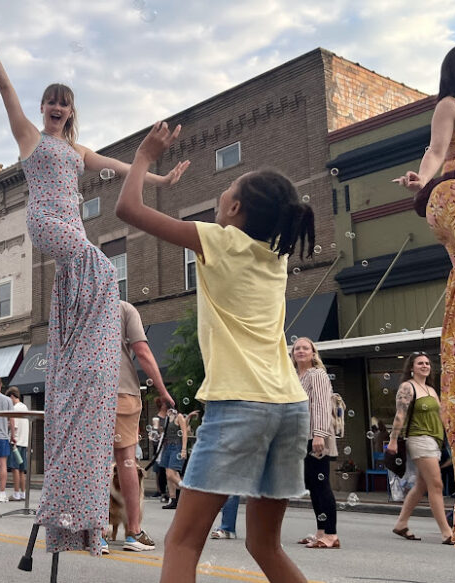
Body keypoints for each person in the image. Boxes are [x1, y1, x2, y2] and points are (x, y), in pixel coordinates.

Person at [0, 17, 188, 556]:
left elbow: (122, 165)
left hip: (74, 237)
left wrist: (159, 178)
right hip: (49, 224)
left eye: (64, 104)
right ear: (43, 108)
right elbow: (4, 90)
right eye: (51, 102)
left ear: (72, 111)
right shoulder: (30, 139)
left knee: (88, 268)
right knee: (98, 265)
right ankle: (91, 333)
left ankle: (82, 352)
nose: (56, 109)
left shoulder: (79, 151)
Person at [116, 121, 314, 583]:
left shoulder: (221, 241)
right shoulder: (276, 257)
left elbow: (127, 208)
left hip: (241, 404)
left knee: (182, 542)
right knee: (265, 545)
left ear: (236, 207)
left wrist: (144, 157)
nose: (221, 197)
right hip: (289, 407)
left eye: (226, 190)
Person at [394, 45, 455, 545]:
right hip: (452, 191)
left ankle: (411, 520)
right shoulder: (450, 104)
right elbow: (437, 150)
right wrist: (426, 176)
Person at [112, 300, 174, 553]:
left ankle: (97, 532)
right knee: (127, 460)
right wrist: (164, 391)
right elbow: (142, 352)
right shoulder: (124, 309)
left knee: (95, 461)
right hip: (122, 390)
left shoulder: (77, 307)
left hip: (85, 394)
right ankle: (133, 532)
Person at [387, 352, 454, 544]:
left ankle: (401, 523)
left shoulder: (431, 390)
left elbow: (441, 417)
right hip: (419, 439)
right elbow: (400, 415)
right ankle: (446, 532)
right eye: (420, 363)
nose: (425, 366)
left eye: (427, 363)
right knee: (437, 484)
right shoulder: (407, 387)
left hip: (435, 441)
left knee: (422, 485)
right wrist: (393, 440)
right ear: (411, 367)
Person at [291, 337, 340, 549]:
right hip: (301, 438)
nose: (301, 351)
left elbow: (321, 404)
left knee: (321, 484)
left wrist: (319, 435)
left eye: (305, 348)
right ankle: (320, 531)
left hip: (315, 436)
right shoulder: (294, 377)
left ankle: (331, 534)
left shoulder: (317, 374)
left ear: (313, 353)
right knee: (312, 484)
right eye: (297, 348)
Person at [159, 404, 188, 510]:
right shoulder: (167, 417)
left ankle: (186, 489)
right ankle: (173, 499)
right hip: (167, 446)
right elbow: (164, 433)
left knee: (171, 474)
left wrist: (184, 450)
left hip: (176, 447)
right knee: (169, 475)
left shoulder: (179, 416)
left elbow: (184, 433)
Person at [5, 387, 28, 502]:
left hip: (16, 441)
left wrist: (10, 433)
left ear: (12, 396)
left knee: (14, 468)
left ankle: (16, 493)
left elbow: (14, 425)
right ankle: (23, 493)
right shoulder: (25, 407)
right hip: (24, 441)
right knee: (22, 469)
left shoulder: (14, 409)